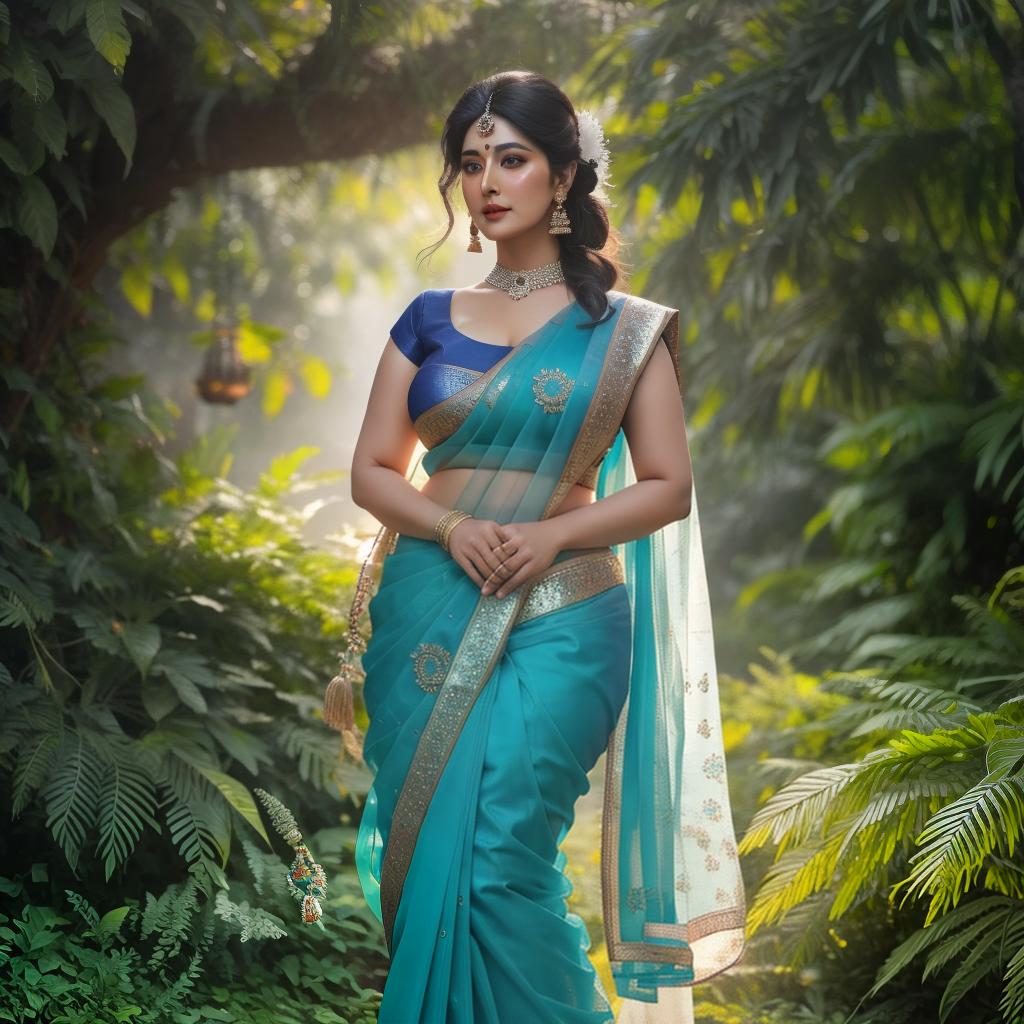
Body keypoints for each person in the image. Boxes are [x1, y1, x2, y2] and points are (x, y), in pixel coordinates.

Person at [326, 69, 746, 1023]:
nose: (488, 181)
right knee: (433, 844)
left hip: (565, 612)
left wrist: (551, 532)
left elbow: (668, 487)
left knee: (503, 853)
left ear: (563, 176)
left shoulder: (625, 333)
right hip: (430, 598)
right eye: (471, 164)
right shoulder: (427, 320)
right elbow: (373, 473)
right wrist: (455, 526)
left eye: (510, 158)